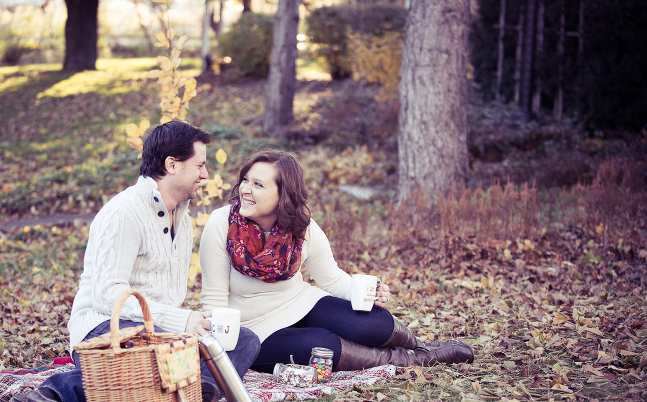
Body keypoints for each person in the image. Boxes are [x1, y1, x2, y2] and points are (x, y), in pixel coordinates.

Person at [13, 121, 261, 402]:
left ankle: (193, 389)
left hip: (156, 333)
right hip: (106, 327)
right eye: (200, 165)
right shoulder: (123, 213)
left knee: (244, 340)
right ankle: (56, 391)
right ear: (172, 164)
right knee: (150, 356)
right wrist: (180, 321)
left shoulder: (182, 221)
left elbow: (165, 300)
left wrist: (194, 323)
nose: (205, 174)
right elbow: (108, 294)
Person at [199, 150, 473, 374]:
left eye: (258, 184)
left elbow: (332, 279)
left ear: (283, 194)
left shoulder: (301, 228)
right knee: (321, 345)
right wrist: (226, 345)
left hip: (300, 303)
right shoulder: (222, 224)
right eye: (245, 180)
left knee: (371, 323)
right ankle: (410, 360)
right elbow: (213, 301)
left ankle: (422, 347)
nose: (245, 189)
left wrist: (367, 290)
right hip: (254, 330)